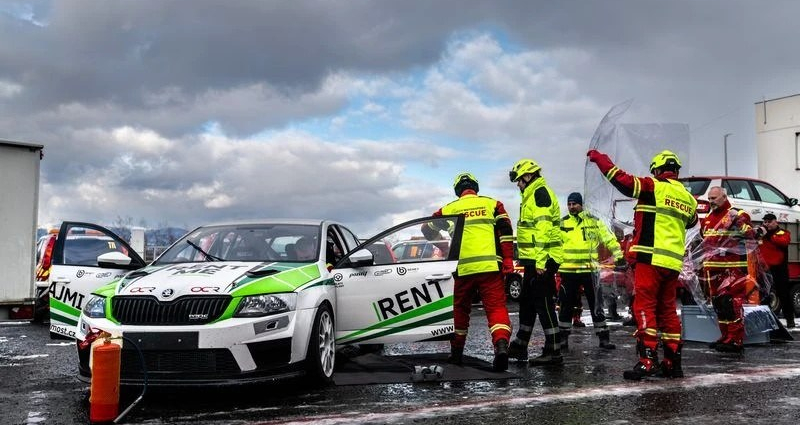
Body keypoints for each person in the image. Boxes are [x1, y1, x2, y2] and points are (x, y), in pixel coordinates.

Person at [587, 149, 697, 380]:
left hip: (650, 258)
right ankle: (672, 362)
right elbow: (691, 222)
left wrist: (601, 160)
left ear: (658, 170)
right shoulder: (688, 198)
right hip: (672, 263)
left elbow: (623, 181)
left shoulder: (653, 186)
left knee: (644, 307)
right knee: (668, 311)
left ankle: (648, 360)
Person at [422, 172, 514, 372]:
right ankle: (500, 345)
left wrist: (444, 246)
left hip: (462, 268)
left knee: (460, 310)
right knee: (496, 309)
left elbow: (426, 229)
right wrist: (508, 259)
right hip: (490, 268)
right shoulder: (493, 204)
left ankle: (456, 354)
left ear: (458, 190)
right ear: (475, 187)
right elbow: (506, 232)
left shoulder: (449, 209)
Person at [507, 159, 564, 366]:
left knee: (544, 304)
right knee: (527, 303)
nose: (518, 184)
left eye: (519, 180)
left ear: (528, 176)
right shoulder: (531, 195)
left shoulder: (540, 193)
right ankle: (520, 345)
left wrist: (541, 262)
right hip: (533, 260)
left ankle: (554, 351)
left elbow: (543, 230)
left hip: (543, 260)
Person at [558, 192, 623, 350]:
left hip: (589, 270)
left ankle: (603, 338)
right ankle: (563, 338)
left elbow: (608, 238)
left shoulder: (594, 221)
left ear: (581, 204)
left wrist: (619, 255)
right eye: (569, 204)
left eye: (574, 204)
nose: (571, 207)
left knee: (596, 305)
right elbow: (554, 244)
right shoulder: (562, 223)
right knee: (566, 306)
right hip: (569, 270)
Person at [701, 186, 755, 353]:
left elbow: (750, 234)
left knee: (731, 303)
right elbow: (703, 240)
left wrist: (737, 226)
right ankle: (725, 336)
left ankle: (735, 339)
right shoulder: (708, 217)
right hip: (712, 268)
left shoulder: (736, 214)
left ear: (724, 197)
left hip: (731, 268)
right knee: (719, 304)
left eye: (714, 198)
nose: (711, 202)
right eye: (709, 199)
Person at [757, 213, 793, 328]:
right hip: (764, 269)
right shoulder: (761, 234)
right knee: (764, 296)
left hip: (779, 269)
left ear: (775, 222)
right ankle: (765, 320)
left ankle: (790, 320)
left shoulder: (782, 232)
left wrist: (768, 235)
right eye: (765, 222)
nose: (767, 224)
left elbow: (784, 242)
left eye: (769, 222)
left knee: (784, 294)